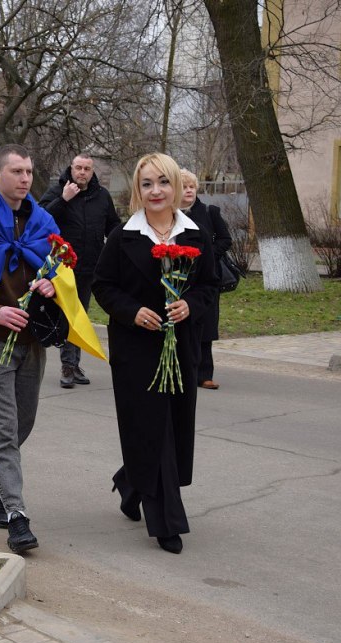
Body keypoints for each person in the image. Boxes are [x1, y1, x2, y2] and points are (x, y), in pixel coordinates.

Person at [0, 144, 105, 554]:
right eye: (17, 171)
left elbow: (58, 268)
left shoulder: (42, 219)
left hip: (33, 339)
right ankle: (16, 515)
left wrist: (51, 283)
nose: (25, 178)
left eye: (29, 172)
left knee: (19, 425)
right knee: (1, 430)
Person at [92, 153, 217, 554]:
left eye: (163, 182)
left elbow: (210, 285)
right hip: (135, 351)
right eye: (147, 184)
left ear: (177, 187)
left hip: (180, 348)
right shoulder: (123, 236)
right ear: (137, 191)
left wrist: (190, 306)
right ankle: (167, 522)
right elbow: (103, 286)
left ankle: (132, 484)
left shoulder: (196, 234)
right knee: (153, 429)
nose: (156, 191)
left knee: (174, 430)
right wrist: (132, 312)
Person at [39, 153, 122, 388]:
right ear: (71, 168)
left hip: (91, 266)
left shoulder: (102, 196)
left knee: (80, 315)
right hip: (62, 267)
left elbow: (113, 226)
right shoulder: (57, 192)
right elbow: (40, 220)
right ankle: (67, 364)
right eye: (78, 168)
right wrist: (63, 200)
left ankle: (73, 364)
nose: (82, 172)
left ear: (92, 171)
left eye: (87, 168)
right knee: (66, 315)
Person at [180, 169, 232, 390]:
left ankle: (205, 374)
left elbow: (225, 239)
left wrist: (208, 257)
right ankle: (184, 370)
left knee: (206, 326)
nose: (189, 190)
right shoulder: (170, 214)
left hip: (206, 278)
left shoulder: (209, 211)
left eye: (192, 186)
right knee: (183, 324)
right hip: (179, 278)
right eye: (184, 186)